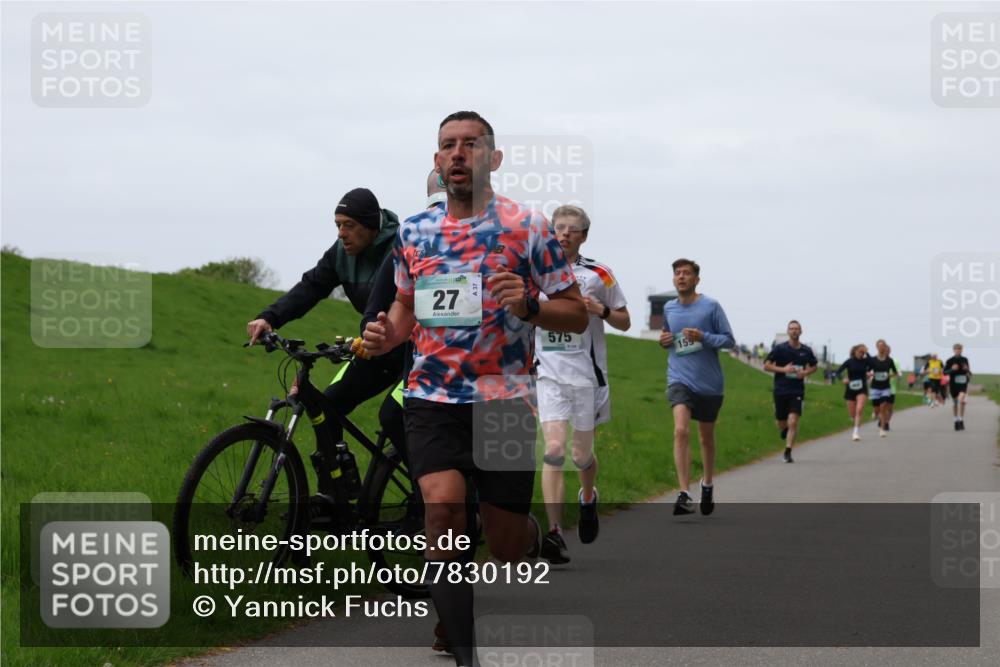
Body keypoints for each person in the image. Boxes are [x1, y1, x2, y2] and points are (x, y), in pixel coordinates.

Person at [361, 111, 588, 667]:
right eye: (448, 146)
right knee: (442, 510)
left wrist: (530, 304)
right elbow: (406, 306)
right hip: (431, 398)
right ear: (438, 162)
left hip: (502, 401)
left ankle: (532, 536)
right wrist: (389, 332)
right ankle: (466, 654)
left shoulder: (528, 227)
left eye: (471, 144)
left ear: (494, 158)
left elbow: (576, 314)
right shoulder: (414, 231)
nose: (458, 154)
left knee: (505, 543)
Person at [246, 188, 405, 501]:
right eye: (337, 225)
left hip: (413, 351)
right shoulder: (340, 253)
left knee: (394, 415)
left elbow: (387, 303)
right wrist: (270, 317)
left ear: (371, 226)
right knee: (327, 406)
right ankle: (336, 495)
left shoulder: (402, 247)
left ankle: (434, 497)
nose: (342, 233)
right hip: (373, 347)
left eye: (349, 225)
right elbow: (311, 286)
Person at [534, 205, 630, 564]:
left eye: (573, 229)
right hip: (548, 372)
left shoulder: (599, 275)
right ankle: (555, 532)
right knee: (554, 450)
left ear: (584, 236)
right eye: (559, 227)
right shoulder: (536, 271)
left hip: (586, 375)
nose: (564, 234)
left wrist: (598, 310)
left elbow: (625, 321)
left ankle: (588, 496)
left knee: (580, 455)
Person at [658, 258, 735, 516]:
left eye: (686, 273)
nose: (681, 277)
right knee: (681, 430)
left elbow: (729, 341)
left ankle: (708, 483)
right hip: (679, 378)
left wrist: (704, 337)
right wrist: (665, 340)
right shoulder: (669, 308)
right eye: (677, 273)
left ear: (696, 280)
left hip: (709, 383)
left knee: (706, 437)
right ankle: (683, 492)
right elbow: (668, 336)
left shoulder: (710, 306)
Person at [763, 320, 818, 463]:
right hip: (780, 389)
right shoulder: (780, 349)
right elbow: (766, 366)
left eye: (796, 329)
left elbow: (814, 366)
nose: (794, 331)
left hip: (797, 391)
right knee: (782, 422)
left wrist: (805, 373)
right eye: (791, 329)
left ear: (801, 331)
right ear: (788, 332)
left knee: (793, 421)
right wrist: (783, 370)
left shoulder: (806, 350)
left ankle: (788, 451)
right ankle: (784, 430)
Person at [836, 344, 872, 442]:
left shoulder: (865, 361)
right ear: (854, 351)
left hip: (862, 388)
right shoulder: (849, 361)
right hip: (850, 388)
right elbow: (837, 372)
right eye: (860, 352)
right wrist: (843, 379)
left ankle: (855, 433)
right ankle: (856, 420)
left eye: (863, 352)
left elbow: (873, 363)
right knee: (852, 414)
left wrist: (867, 352)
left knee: (859, 409)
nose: (861, 354)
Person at [868, 339, 898, 438]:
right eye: (879, 346)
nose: (881, 347)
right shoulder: (872, 359)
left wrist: (889, 376)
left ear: (885, 347)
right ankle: (875, 413)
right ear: (877, 347)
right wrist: (870, 374)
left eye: (883, 346)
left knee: (884, 407)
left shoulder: (889, 360)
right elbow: (867, 371)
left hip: (886, 387)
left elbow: (895, 372)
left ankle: (882, 429)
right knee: (877, 409)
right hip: (875, 387)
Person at [944, 344, 972, 431]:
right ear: (953, 350)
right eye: (956, 349)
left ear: (962, 350)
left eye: (960, 349)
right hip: (953, 384)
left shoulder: (965, 359)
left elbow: (969, 373)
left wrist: (967, 369)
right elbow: (944, 373)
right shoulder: (949, 361)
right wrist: (952, 369)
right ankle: (956, 420)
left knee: (962, 400)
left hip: (963, 383)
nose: (958, 350)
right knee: (955, 403)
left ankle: (961, 420)